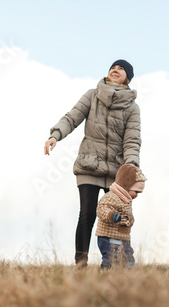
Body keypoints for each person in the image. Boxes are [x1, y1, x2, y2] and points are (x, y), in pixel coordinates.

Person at [44, 59, 141, 267]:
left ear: (128, 78)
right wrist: (55, 135)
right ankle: (81, 263)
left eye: (121, 69)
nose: (116, 70)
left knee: (115, 218)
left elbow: (132, 140)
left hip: (116, 171)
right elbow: (72, 118)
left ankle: (114, 263)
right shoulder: (92, 95)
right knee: (87, 214)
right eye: (113, 67)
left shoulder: (132, 108)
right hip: (89, 165)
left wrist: (131, 167)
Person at [95, 164, 146, 269]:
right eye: (136, 191)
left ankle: (126, 276)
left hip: (123, 238)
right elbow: (101, 209)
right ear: (126, 185)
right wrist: (111, 215)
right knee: (111, 259)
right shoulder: (111, 197)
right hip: (108, 237)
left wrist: (130, 220)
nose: (137, 195)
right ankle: (105, 274)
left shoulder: (126, 200)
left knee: (128, 260)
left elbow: (127, 216)